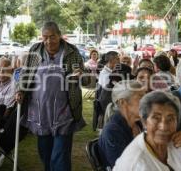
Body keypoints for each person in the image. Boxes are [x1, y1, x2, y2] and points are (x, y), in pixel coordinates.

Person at [16, 21, 87, 171]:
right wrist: (20, 89)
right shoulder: (35, 50)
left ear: (59, 36)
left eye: (52, 36)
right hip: (40, 110)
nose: (49, 41)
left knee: (60, 154)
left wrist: (80, 73)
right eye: (45, 37)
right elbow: (26, 73)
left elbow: (82, 72)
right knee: (45, 152)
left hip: (65, 109)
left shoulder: (71, 51)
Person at [113, 91, 181, 170]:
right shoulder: (135, 163)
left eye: (170, 119)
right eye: (156, 118)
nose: (163, 127)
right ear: (144, 122)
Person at [98, 80, 146, 168]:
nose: (147, 102)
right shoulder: (113, 131)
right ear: (123, 102)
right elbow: (125, 167)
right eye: (141, 98)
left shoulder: (140, 124)